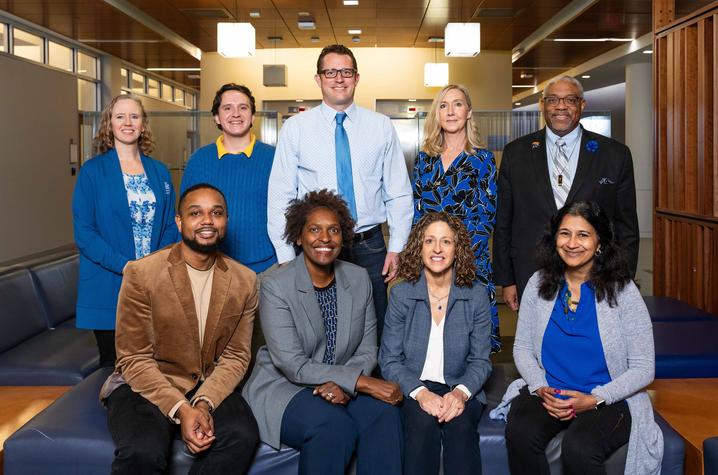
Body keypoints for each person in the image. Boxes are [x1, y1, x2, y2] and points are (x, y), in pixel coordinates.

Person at [101, 183, 259, 474]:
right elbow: (132, 358)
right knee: (143, 449)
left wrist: (203, 403)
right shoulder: (141, 274)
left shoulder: (245, 280)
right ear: (179, 221)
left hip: (206, 382)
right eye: (195, 213)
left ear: (226, 221)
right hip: (144, 383)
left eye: (217, 213)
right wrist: (181, 409)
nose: (207, 220)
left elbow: (236, 356)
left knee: (242, 434)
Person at [243, 189, 404, 475]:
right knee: (332, 426)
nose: (325, 238)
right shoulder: (274, 285)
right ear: (298, 236)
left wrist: (344, 384)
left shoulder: (358, 279)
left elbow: (367, 350)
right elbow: (293, 365)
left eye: (334, 230)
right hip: (285, 386)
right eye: (314, 229)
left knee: (384, 415)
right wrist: (360, 383)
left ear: (344, 237)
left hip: (341, 382)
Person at [504, 201, 663, 475]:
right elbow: (522, 348)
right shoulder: (538, 283)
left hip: (605, 399)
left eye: (583, 234)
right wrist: (541, 387)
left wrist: (594, 399)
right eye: (564, 233)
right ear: (554, 239)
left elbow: (644, 367)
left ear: (599, 242)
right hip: (551, 392)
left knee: (579, 447)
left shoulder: (622, 292)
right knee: (520, 432)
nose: (572, 243)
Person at [267, 44, 413, 332]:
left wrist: (397, 247)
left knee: (374, 327)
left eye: (346, 71)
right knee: (319, 327)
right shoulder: (295, 129)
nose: (338, 78)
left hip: (368, 246)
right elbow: (281, 195)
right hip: (315, 246)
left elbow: (398, 191)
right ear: (318, 79)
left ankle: (372, 378)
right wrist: (285, 257)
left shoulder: (380, 127)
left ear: (356, 78)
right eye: (330, 72)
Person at [493, 76, 639, 310]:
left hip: (597, 273)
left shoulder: (615, 155)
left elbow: (626, 225)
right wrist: (506, 279)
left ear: (582, 104)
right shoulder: (515, 153)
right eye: (552, 100)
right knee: (538, 343)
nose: (561, 106)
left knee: (593, 340)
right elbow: (504, 222)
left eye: (569, 99)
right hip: (530, 270)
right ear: (542, 105)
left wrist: (623, 279)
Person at [380, 212, 492, 475]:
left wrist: (460, 393)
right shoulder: (401, 293)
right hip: (416, 385)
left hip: (461, 384)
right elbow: (389, 360)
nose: (437, 249)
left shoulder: (475, 295)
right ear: (419, 247)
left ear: (458, 249)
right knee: (421, 427)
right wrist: (421, 393)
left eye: (446, 242)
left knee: (461, 427)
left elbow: (480, 361)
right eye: (429, 241)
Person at [72, 94, 178, 367]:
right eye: (120, 116)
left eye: (134, 116)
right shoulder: (92, 172)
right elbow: (84, 232)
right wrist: (126, 266)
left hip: (152, 283)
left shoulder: (159, 172)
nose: (127, 122)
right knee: (115, 367)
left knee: (156, 365)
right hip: (109, 283)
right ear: (110, 123)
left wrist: (153, 264)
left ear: (143, 125)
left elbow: (169, 224)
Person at [412, 84, 500, 352]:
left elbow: (486, 216)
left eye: (458, 104)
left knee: (470, 341)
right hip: (431, 261)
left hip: (469, 261)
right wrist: (430, 253)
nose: (450, 111)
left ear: (469, 112)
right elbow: (418, 214)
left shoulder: (483, 159)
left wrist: (453, 254)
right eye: (443, 105)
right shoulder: (424, 160)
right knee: (432, 342)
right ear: (436, 114)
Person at [181, 83, 277, 275]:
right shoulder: (199, 160)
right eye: (227, 108)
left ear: (252, 116)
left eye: (243, 107)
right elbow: (186, 218)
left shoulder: (274, 158)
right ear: (217, 117)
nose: (236, 114)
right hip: (211, 268)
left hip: (267, 268)